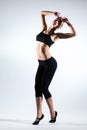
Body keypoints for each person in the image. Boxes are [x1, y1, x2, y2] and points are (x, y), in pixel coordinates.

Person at [32, 11, 76, 125]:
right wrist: (54, 13)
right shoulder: (44, 28)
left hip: (50, 64)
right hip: (41, 63)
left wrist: (68, 23)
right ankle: (39, 114)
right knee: (37, 87)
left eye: (59, 22)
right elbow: (41, 13)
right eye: (56, 20)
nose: (57, 21)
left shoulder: (56, 36)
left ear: (59, 25)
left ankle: (53, 114)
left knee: (44, 88)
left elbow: (74, 34)